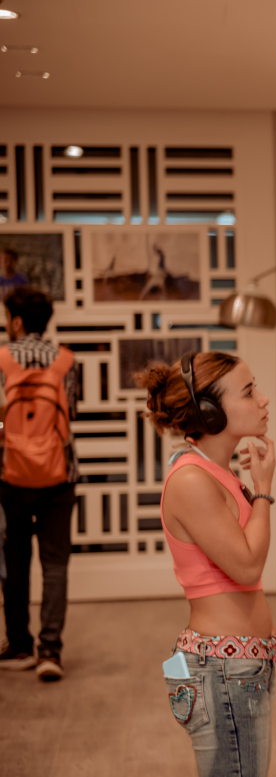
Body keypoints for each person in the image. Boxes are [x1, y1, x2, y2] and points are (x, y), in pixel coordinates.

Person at [141, 351, 276, 777]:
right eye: (248, 392)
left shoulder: (214, 471)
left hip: (237, 666)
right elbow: (248, 566)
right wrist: (263, 490)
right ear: (209, 411)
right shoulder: (191, 480)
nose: (263, 400)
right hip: (222, 669)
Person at [0, 287, 79, 682]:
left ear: (16, 321)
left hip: (10, 475)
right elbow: (71, 412)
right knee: (55, 564)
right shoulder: (66, 361)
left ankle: (20, 646)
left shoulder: (1, 358)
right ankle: (51, 651)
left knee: (14, 563)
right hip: (60, 475)